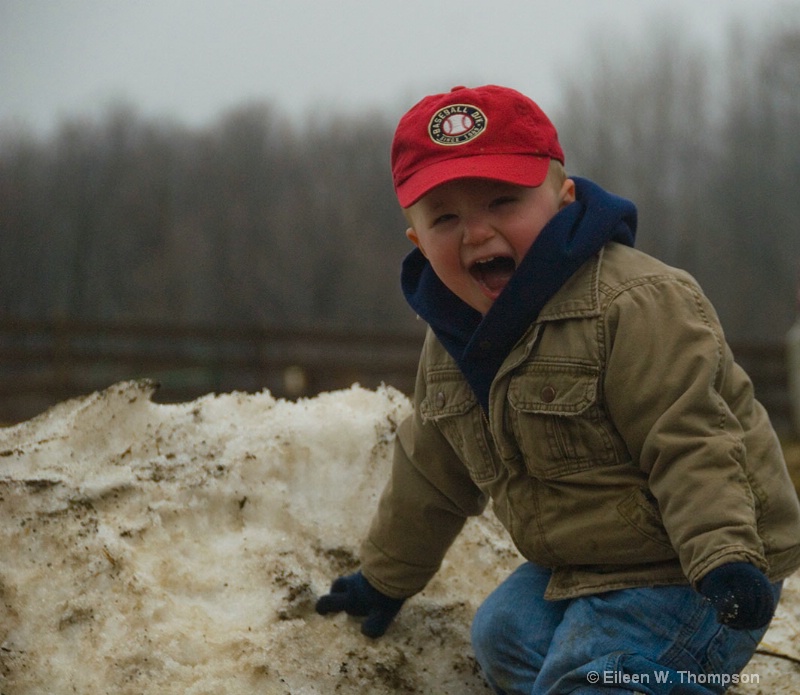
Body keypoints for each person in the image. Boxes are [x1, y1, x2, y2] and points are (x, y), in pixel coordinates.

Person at [315, 84, 800, 694]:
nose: (476, 233)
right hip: (590, 559)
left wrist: (724, 558)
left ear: (562, 199)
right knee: (501, 635)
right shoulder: (451, 346)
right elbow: (430, 474)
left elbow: (690, 440)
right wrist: (383, 578)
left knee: (597, 674)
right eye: (445, 218)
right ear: (417, 240)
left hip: (695, 564)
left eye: (502, 201)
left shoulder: (634, 303)